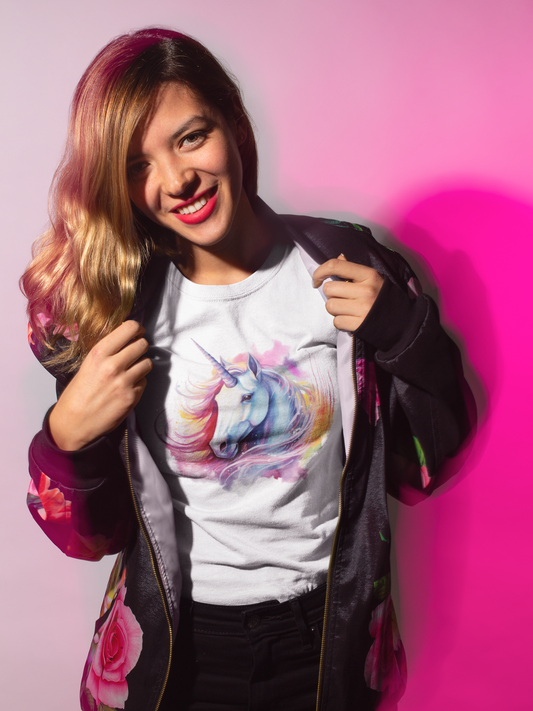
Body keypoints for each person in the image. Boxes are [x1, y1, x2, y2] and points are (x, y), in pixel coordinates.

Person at [21, 27, 470, 711]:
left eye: (190, 137)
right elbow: (91, 538)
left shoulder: (348, 264)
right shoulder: (114, 309)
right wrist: (65, 438)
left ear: (232, 123)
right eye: (139, 166)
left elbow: (428, 465)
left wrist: (405, 335)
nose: (176, 180)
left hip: (327, 640)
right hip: (181, 651)